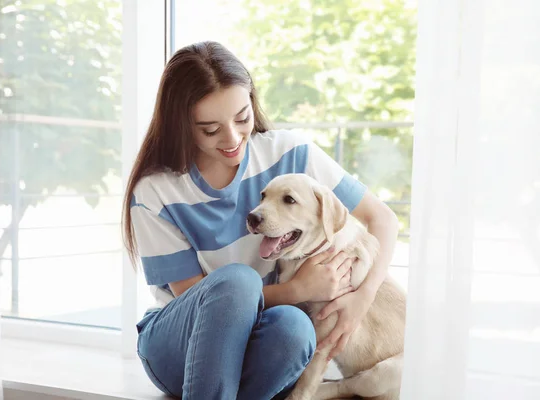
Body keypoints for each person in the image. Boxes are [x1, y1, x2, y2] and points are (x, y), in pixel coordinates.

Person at [121, 41, 399, 400]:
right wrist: (297, 291)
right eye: (210, 129)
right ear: (181, 124)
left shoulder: (291, 154)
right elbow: (197, 298)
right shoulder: (155, 192)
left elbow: (383, 220)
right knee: (237, 282)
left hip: (257, 342)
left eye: (242, 117)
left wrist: (362, 298)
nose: (233, 138)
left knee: (296, 328)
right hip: (180, 346)